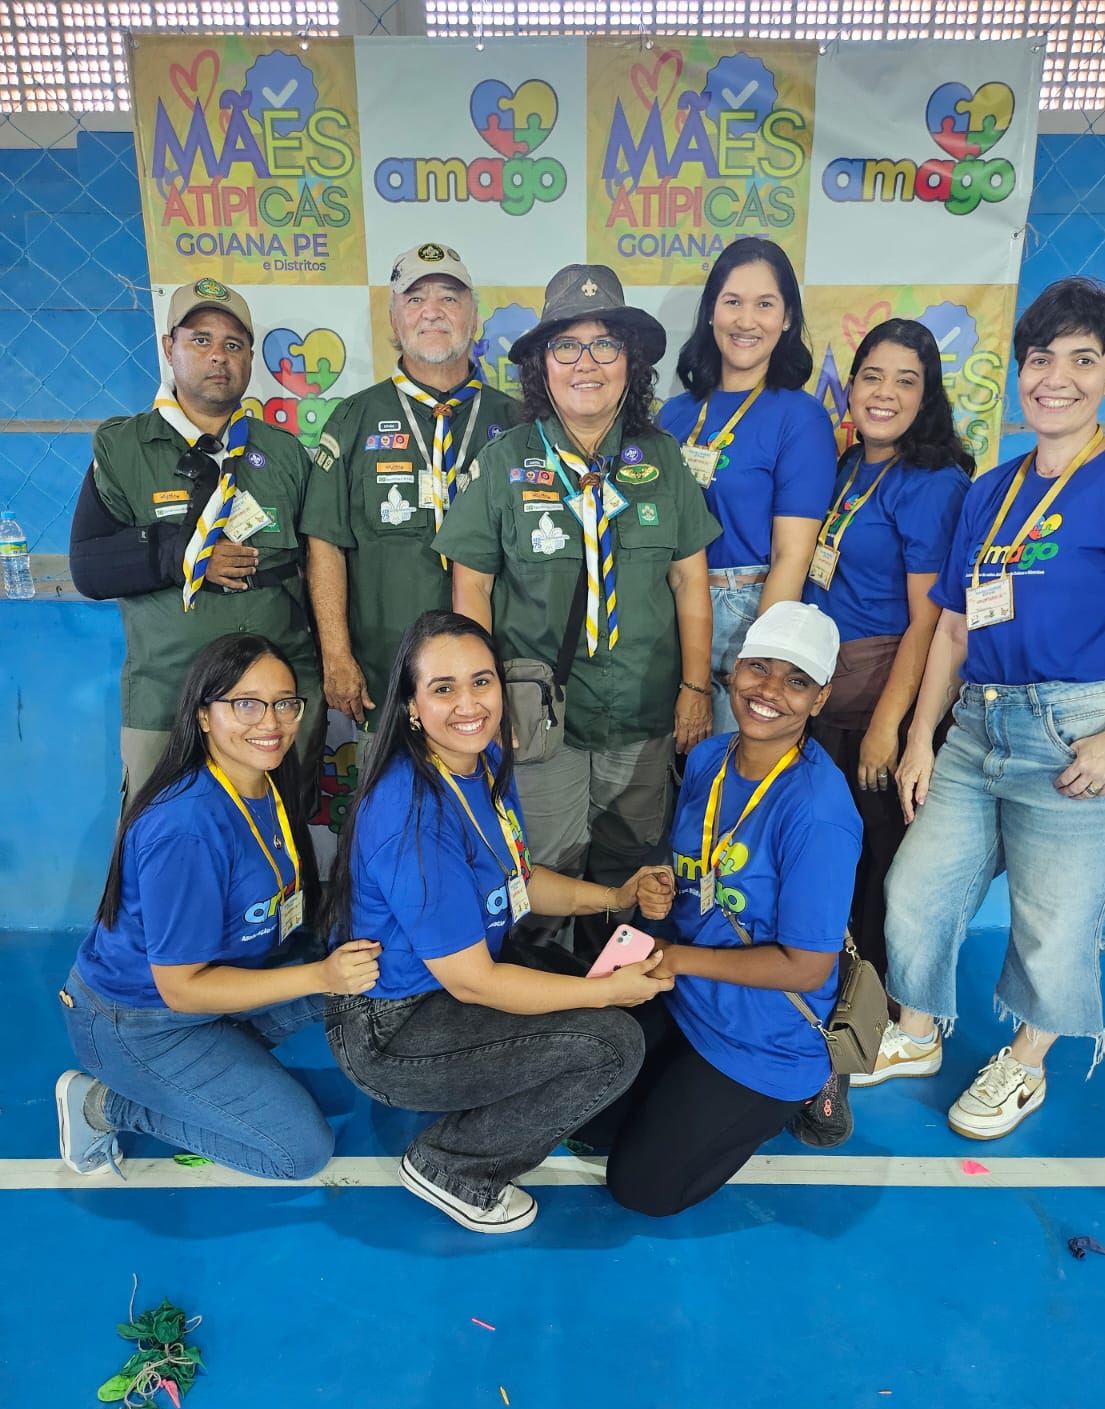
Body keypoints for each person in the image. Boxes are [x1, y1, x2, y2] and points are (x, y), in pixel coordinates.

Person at [880, 277, 1105, 1137]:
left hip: (1078, 729)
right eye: (1039, 359)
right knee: (916, 889)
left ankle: (1025, 1063)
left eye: (1082, 361)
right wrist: (921, 738)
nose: (1055, 379)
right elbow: (953, 627)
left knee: (1053, 921)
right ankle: (916, 1033)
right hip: (976, 726)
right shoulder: (991, 491)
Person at [324, 610, 674, 1235]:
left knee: (622, 1004)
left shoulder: (477, 760)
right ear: (411, 706)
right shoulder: (412, 813)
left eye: (481, 682)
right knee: (610, 1044)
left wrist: (613, 895)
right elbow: (474, 983)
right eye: (444, 688)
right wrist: (602, 996)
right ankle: (452, 1168)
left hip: (451, 984)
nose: (470, 704)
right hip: (393, 1028)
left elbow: (517, 875)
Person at [436, 264, 718, 947]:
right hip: (538, 721)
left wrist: (694, 687)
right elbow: (471, 588)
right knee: (543, 870)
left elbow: (691, 582)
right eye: (566, 346)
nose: (585, 363)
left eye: (604, 345)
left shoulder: (663, 460)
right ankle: (545, 994)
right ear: (541, 364)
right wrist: (482, 699)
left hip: (643, 710)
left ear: (630, 361)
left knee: (634, 868)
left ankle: (618, 990)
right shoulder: (505, 463)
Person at [55, 633, 381, 1181]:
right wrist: (321, 976)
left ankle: (219, 1066)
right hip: (142, 1022)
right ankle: (103, 1104)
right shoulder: (186, 827)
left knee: (371, 970)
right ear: (204, 715)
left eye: (284, 703)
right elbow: (181, 989)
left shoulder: (266, 782)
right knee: (298, 1151)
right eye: (246, 704)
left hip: (218, 987)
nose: (270, 722)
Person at [576, 602, 861, 1217]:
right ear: (734, 670)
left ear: (820, 698)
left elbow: (808, 967)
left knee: (643, 1189)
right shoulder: (709, 758)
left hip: (767, 1035)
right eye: (759, 668)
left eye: (796, 681)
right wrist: (658, 892)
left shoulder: (818, 813)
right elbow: (699, 871)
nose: (769, 691)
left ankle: (810, 1087)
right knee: (582, 1117)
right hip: (685, 998)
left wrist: (677, 956)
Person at [69, 277, 324, 806]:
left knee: (278, 833)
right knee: (161, 836)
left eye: (234, 345)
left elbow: (323, 564)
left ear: (249, 357)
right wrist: (181, 553)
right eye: (200, 340)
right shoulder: (123, 448)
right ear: (170, 347)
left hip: (273, 706)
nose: (218, 356)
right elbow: (89, 567)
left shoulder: (284, 453)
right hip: (168, 700)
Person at [802, 318, 974, 982]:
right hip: (829, 696)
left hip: (882, 700)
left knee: (887, 864)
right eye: (872, 376)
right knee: (837, 858)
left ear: (926, 396)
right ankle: (837, 996)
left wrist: (887, 727)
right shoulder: (848, 467)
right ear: (850, 386)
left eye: (906, 381)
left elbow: (930, 622)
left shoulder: (932, 482)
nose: (884, 394)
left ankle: (893, 1008)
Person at [302, 243, 519, 760]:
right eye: (415, 298)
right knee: (393, 805)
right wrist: (337, 655)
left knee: (490, 805)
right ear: (394, 319)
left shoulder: (518, 423)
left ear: (474, 316)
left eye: (450, 297)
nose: (432, 311)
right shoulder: (354, 419)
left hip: (494, 683)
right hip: (388, 678)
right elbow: (325, 545)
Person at [659, 239, 837, 734]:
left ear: (787, 318)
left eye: (765, 305)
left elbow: (791, 557)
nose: (746, 320)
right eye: (733, 301)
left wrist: (759, 661)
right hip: (666, 610)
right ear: (710, 312)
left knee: (729, 769)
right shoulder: (673, 415)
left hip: (746, 614)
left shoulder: (800, 417)